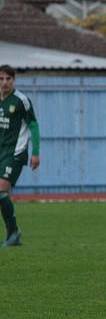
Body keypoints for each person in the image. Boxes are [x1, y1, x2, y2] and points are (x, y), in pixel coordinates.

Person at [0, 65, 40, 247]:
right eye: (1, 79)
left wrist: (36, 152)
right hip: (1, 152)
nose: (4, 83)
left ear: (14, 80)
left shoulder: (21, 100)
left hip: (15, 153)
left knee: (0, 192)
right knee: (1, 195)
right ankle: (13, 234)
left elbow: (34, 126)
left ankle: (13, 233)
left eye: (8, 79)